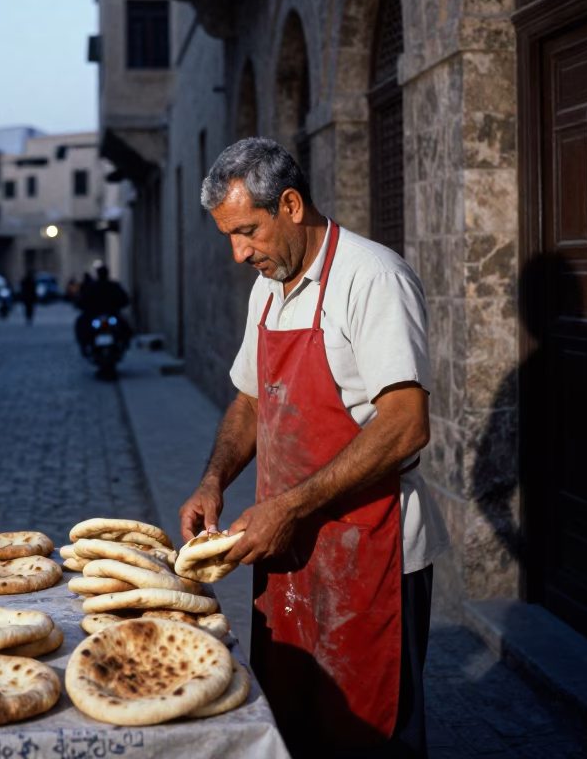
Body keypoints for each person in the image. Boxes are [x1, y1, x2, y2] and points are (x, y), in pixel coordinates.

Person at [179, 137, 448, 758]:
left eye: (247, 231)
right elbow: (250, 402)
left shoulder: (372, 277)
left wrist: (289, 506)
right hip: (290, 549)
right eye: (228, 236)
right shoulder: (268, 286)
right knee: (296, 725)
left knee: (369, 733)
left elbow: (406, 424)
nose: (239, 251)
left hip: (373, 552)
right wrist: (214, 480)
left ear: (292, 205)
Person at [75, 265, 130, 355]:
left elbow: (81, 301)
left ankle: (84, 346)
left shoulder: (93, 287)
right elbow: (125, 299)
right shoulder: (112, 286)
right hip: (100, 315)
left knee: (124, 327)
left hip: (108, 315)